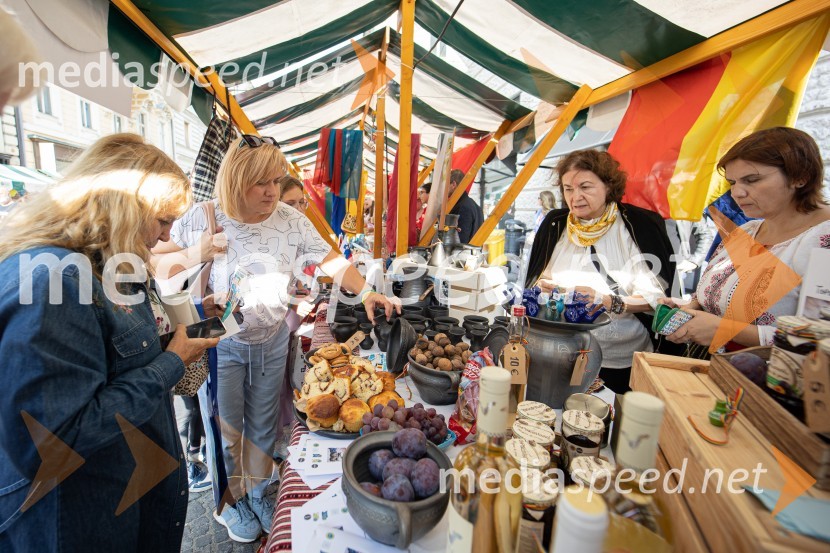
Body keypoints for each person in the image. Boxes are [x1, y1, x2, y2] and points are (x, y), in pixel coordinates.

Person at [153, 136, 399, 543]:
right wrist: (199, 251)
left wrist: (368, 291)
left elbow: (331, 260)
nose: (270, 191)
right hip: (217, 343)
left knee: (265, 426)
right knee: (227, 429)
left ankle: (260, 489)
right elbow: (157, 264)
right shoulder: (204, 216)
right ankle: (229, 503)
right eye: (259, 182)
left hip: (271, 338)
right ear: (236, 180)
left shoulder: (291, 219)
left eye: (276, 180)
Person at [0, 134, 219, 551]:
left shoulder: (106, 266)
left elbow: (116, 356)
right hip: (79, 522)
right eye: (162, 220)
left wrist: (184, 328)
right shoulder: (59, 281)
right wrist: (172, 361)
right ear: (122, 208)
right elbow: (53, 443)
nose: (164, 237)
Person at [662, 127, 830, 352]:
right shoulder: (748, 230)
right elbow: (716, 293)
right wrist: (691, 308)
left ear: (800, 177)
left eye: (752, 180)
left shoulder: (822, 241)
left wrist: (725, 330)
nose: (737, 193)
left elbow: (818, 340)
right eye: (732, 182)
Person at [525, 149, 678, 393]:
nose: (576, 197)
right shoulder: (555, 224)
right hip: (561, 351)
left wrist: (606, 301)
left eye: (585, 187)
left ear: (608, 185)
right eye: (568, 189)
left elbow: (657, 299)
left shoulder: (638, 225)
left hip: (618, 359)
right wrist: (545, 286)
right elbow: (539, 276)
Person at [448, 169, 484, 243]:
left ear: (453, 184)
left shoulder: (462, 206)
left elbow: (461, 240)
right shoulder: (474, 205)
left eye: (445, 185)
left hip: (461, 253)